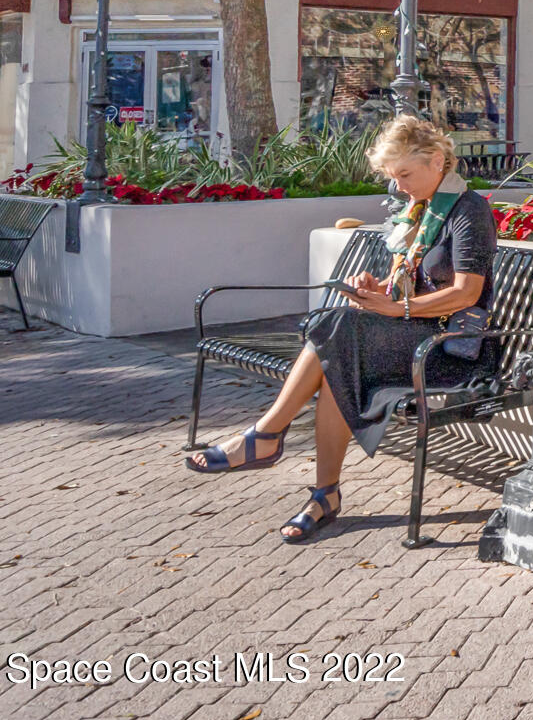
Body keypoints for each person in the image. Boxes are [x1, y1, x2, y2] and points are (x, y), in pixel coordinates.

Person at [185, 116, 497, 543]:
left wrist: (396, 306)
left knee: (333, 334)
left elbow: (466, 292)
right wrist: (378, 288)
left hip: (448, 348)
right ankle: (322, 493)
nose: (399, 186)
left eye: (405, 174)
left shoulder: (468, 210)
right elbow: (412, 282)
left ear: (438, 162)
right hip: (410, 334)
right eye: (393, 177)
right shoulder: (421, 211)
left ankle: (270, 439)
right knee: (336, 357)